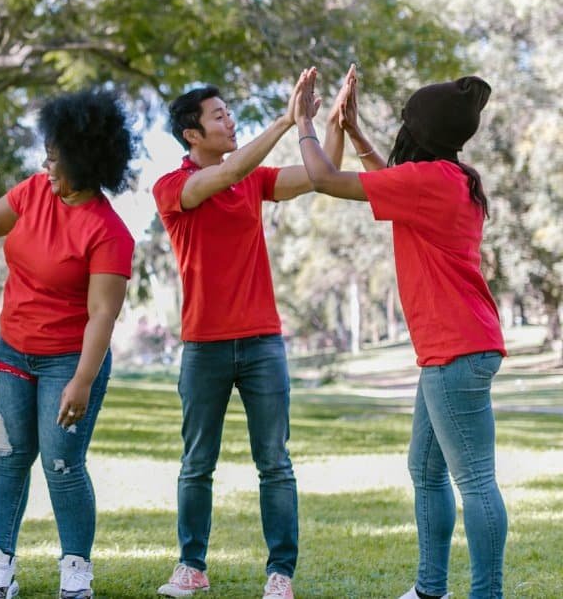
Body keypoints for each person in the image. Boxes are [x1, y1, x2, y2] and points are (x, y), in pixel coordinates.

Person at [294, 68, 506, 599]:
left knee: (474, 480)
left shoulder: (427, 183)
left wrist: (304, 124)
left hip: (453, 349)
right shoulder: (452, 179)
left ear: (422, 131)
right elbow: (391, 179)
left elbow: (323, 178)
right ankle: (430, 589)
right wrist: (359, 134)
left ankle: (488, 593)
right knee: (426, 468)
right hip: (458, 345)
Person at [153, 69, 343, 599]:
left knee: (275, 463)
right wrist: (285, 119)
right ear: (192, 134)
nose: (230, 120)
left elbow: (322, 174)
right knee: (197, 464)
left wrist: (332, 124)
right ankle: (191, 565)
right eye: (219, 115)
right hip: (204, 346)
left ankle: (280, 574)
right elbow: (228, 171)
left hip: (262, 343)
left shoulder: (253, 181)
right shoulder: (174, 187)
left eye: (228, 112)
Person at [0, 90, 135, 599]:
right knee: (8, 457)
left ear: (84, 160)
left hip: (69, 362)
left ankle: (76, 569)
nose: (46, 166)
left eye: (55, 159)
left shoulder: (108, 231)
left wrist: (81, 380)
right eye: (46, 157)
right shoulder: (33, 191)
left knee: (62, 464)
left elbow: (103, 313)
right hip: (13, 352)